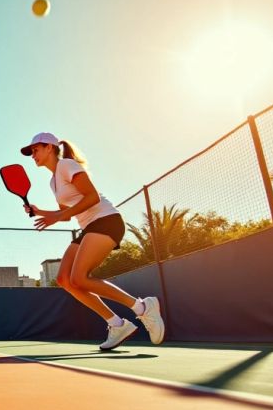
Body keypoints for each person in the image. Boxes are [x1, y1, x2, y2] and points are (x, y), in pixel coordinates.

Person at [21, 132, 165, 350]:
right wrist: (41, 211)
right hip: (89, 227)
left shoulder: (67, 165)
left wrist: (58, 217)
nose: (33, 155)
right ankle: (116, 324)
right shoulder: (54, 182)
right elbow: (68, 213)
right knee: (64, 280)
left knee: (79, 277)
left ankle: (143, 307)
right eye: (31, 152)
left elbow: (92, 197)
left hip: (106, 220)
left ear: (50, 147)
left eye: (35, 150)